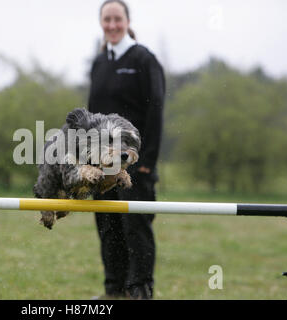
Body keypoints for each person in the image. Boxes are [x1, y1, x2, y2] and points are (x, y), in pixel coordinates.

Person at [88, 0, 165, 300]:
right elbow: (91, 115)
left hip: (136, 163)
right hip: (101, 163)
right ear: (101, 23)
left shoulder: (145, 60)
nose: (112, 25)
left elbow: (156, 111)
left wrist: (147, 162)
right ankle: (114, 292)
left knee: (136, 229)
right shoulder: (99, 62)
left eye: (117, 18)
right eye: (106, 19)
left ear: (127, 21)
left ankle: (140, 293)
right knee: (108, 227)